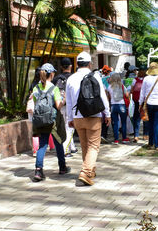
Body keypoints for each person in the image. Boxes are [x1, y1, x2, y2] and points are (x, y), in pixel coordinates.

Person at [66, 51, 111, 186]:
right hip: (93, 115)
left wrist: (70, 118)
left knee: (85, 145)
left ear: (77, 63)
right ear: (90, 63)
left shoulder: (71, 79)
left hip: (78, 116)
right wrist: (107, 113)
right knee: (93, 146)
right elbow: (102, 96)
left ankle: (90, 171)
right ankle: (85, 172)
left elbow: (68, 101)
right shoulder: (95, 77)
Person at [31, 63, 69, 181]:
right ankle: (62, 167)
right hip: (53, 120)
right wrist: (64, 100)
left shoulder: (36, 88)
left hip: (40, 120)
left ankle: (38, 171)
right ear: (51, 74)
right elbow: (58, 106)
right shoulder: (54, 88)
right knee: (58, 142)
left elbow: (36, 103)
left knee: (42, 144)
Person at [54, 57, 77, 156]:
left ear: (61, 67)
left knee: (64, 127)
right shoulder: (73, 78)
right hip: (70, 106)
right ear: (71, 67)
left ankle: (72, 147)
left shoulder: (56, 79)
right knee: (70, 127)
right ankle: (66, 150)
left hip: (59, 106)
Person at [106, 72, 130, 143]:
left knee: (115, 123)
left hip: (113, 105)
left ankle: (116, 139)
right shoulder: (122, 86)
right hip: (122, 105)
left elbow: (109, 97)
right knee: (123, 122)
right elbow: (126, 95)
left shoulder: (109, 87)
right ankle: (124, 138)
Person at [130, 67, 148, 142]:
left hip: (137, 101)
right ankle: (145, 135)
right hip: (143, 101)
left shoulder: (135, 80)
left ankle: (136, 136)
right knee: (144, 118)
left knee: (137, 119)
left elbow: (131, 90)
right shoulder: (146, 80)